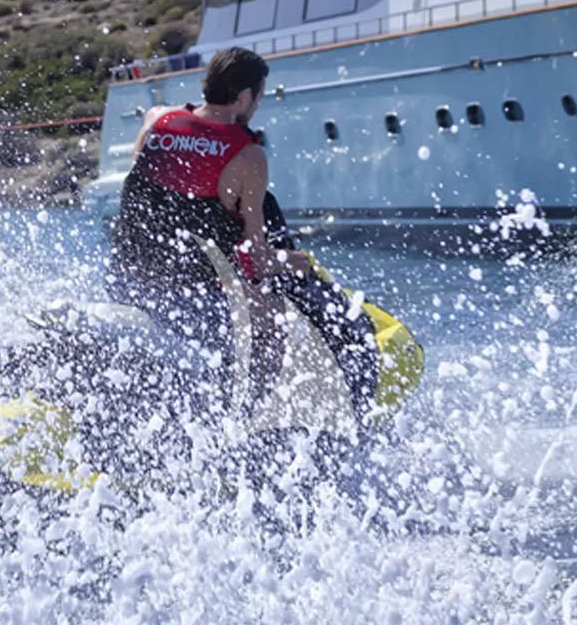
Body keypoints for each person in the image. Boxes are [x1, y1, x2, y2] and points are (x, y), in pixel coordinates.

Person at [108, 46, 378, 414]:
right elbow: (257, 260)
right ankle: (242, 416)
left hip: (124, 277)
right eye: (260, 96)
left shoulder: (157, 119)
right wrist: (291, 261)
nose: (258, 106)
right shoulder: (247, 156)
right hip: (185, 295)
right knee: (272, 322)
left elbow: (147, 195)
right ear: (244, 96)